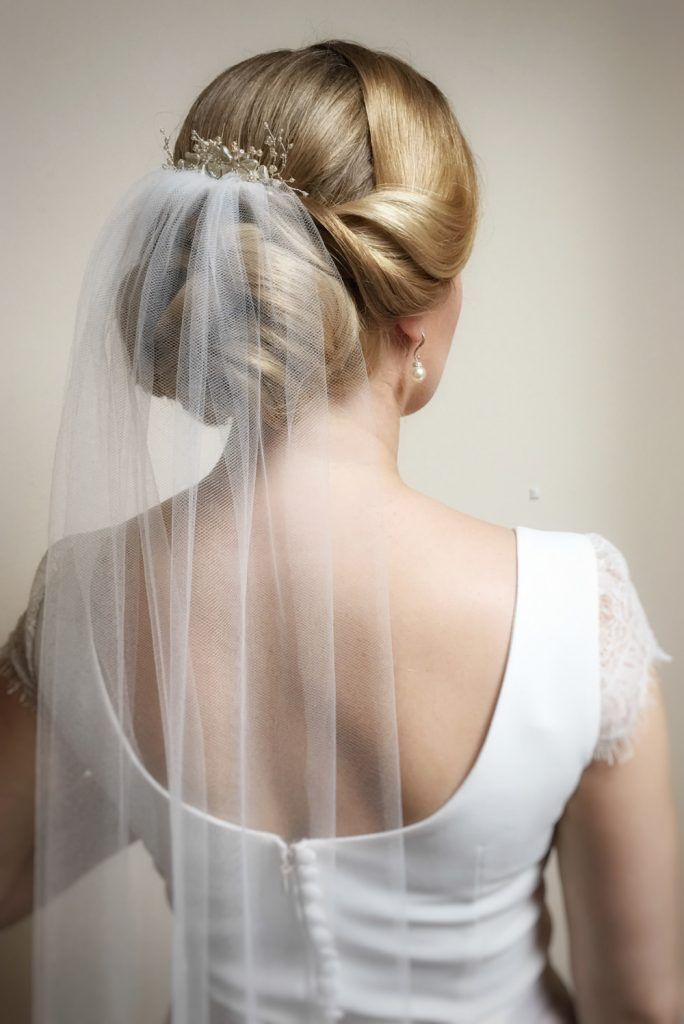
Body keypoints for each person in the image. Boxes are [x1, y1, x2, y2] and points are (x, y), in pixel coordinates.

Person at [0, 38, 681, 1024]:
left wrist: (156, 778)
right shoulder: (574, 609)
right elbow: (644, 1007)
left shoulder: (91, 601)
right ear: (419, 310)